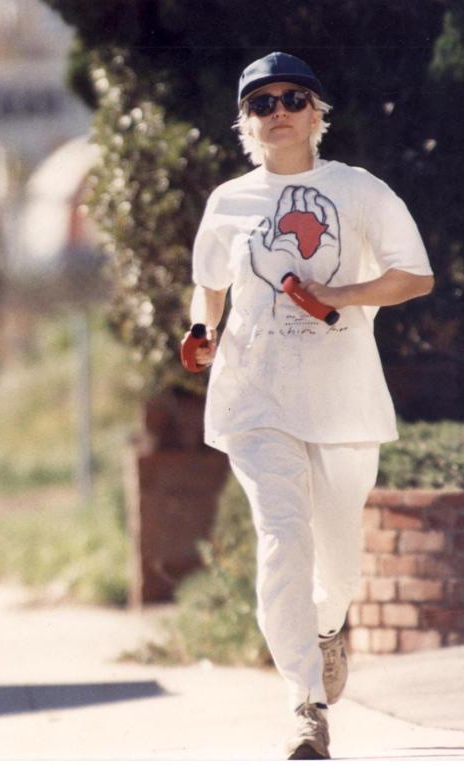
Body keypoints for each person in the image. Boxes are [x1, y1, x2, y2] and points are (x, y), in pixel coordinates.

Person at [184, 52, 434, 759]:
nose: (279, 112)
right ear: (245, 124)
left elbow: (415, 276)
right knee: (283, 538)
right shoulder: (228, 202)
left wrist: (343, 297)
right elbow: (209, 286)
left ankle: (328, 631)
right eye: (261, 104)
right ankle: (304, 705)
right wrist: (202, 335)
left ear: (318, 114)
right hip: (254, 397)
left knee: (339, 566)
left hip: (343, 399)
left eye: (294, 98)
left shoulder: (358, 190)